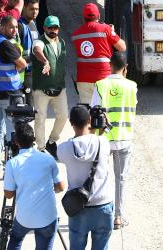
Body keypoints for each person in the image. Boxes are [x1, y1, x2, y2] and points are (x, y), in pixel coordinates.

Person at [92, 52, 138, 230]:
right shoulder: (132, 86)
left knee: (101, 177)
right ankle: (118, 217)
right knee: (121, 179)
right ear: (126, 68)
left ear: (109, 65)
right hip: (125, 138)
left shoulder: (100, 85)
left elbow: (94, 111)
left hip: (104, 139)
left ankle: (100, 215)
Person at [58, 105, 115, 250]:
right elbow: (98, 139)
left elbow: (77, 144)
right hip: (103, 205)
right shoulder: (103, 142)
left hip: (78, 206)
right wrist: (101, 129)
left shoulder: (63, 148)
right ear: (89, 120)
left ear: (71, 122)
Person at [2, 122, 65, 250]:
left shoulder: (12, 163)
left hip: (24, 218)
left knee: (15, 239)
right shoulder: (48, 159)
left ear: (16, 142)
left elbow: (8, 195)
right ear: (34, 140)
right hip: (48, 217)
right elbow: (61, 187)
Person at [0, 16, 27, 174]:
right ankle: (11, 163)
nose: (15, 30)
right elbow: (22, 64)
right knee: (11, 130)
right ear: (1, 27)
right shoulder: (6, 44)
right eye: (11, 27)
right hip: (9, 94)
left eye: (16, 27)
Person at [72, 3, 126, 105]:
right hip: (103, 77)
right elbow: (122, 47)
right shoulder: (106, 29)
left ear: (84, 18)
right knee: (105, 109)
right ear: (99, 16)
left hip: (83, 79)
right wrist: (112, 32)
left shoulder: (76, 35)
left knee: (86, 109)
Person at [31, 16, 67, 152]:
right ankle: (41, 148)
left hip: (59, 88)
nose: (53, 30)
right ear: (44, 28)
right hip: (41, 89)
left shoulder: (62, 42)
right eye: (50, 27)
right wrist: (45, 61)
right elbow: (37, 50)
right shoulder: (39, 41)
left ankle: (52, 141)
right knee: (40, 118)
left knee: (63, 116)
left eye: (55, 27)